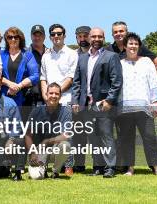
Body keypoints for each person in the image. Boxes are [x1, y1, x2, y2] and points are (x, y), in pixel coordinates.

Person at [71, 27, 122, 178]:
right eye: (94, 37)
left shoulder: (111, 56)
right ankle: (98, 167)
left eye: (100, 36)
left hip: (103, 104)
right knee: (93, 137)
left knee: (106, 136)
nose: (96, 39)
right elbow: (77, 82)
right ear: (89, 38)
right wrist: (75, 101)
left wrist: (110, 100)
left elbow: (117, 81)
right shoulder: (82, 58)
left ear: (104, 38)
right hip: (86, 105)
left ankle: (110, 167)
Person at [116, 32, 157, 177]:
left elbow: (153, 82)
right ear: (125, 46)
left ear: (139, 46)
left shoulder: (146, 62)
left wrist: (154, 102)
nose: (133, 46)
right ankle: (130, 168)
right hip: (125, 108)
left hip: (144, 107)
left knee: (149, 137)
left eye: (136, 44)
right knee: (127, 140)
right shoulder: (119, 64)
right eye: (130, 43)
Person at [25, 83, 73, 179]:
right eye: (51, 93)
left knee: (65, 146)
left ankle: (55, 172)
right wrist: (32, 152)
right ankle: (43, 169)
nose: (54, 96)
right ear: (46, 94)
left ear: (60, 96)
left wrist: (47, 141)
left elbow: (66, 135)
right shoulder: (36, 111)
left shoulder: (66, 111)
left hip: (55, 150)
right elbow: (28, 134)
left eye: (56, 94)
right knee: (36, 177)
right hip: (39, 150)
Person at [0, 26, 39, 111]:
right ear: (6, 39)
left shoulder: (27, 55)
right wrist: (9, 84)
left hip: (23, 99)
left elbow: (35, 76)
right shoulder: (0, 54)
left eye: (16, 37)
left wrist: (19, 86)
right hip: (4, 97)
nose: (13, 39)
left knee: (21, 123)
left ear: (20, 39)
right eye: (10, 37)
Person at [40, 24, 78, 106]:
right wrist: (45, 96)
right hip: (48, 101)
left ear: (64, 36)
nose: (56, 36)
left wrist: (55, 94)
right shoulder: (45, 56)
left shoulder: (72, 54)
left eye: (59, 34)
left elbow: (70, 79)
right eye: (53, 34)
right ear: (50, 37)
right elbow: (43, 78)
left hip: (65, 100)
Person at [71, 25, 92, 173]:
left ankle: (100, 164)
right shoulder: (73, 55)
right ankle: (79, 164)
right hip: (79, 101)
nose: (83, 39)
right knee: (79, 135)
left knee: (97, 134)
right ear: (76, 38)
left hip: (95, 101)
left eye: (86, 36)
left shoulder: (100, 53)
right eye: (80, 36)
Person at [24, 24, 48, 108]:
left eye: (40, 35)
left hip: (48, 99)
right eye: (35, 35)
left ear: (44, 37)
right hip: (28, 100)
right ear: (31, 36)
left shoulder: (50, 53)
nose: (37, 38)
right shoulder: (24, 53)